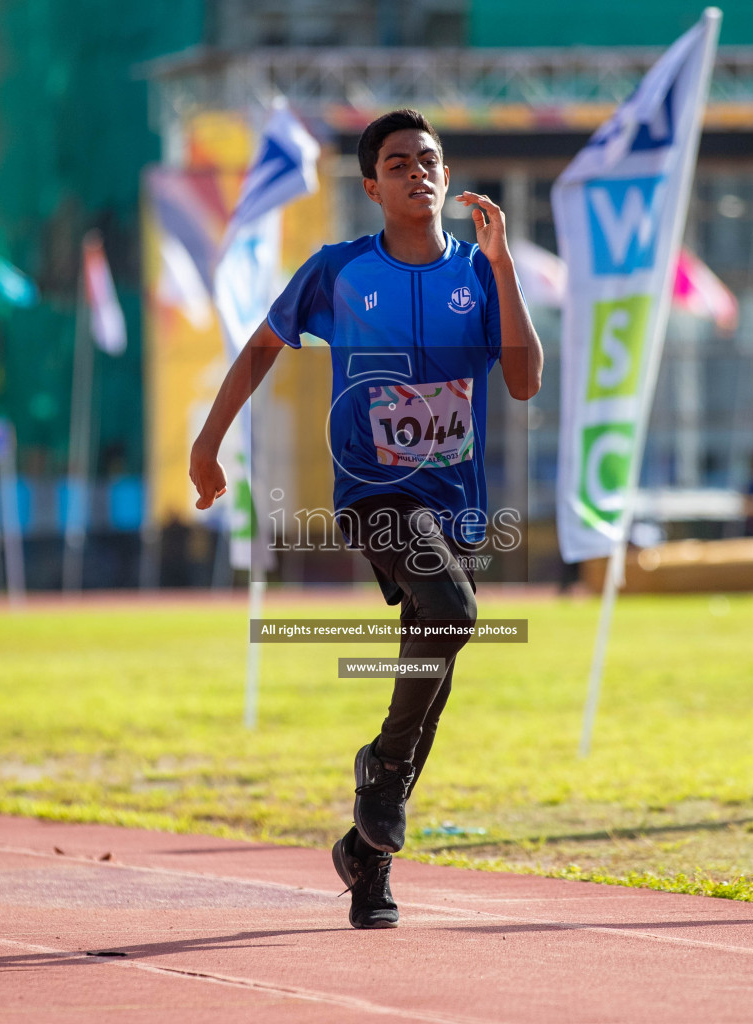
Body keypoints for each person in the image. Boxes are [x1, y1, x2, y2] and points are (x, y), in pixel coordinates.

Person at [189, 108, 543, 929]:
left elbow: (523, 382)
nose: (417, 171)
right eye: (398, 162)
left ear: (447, 179)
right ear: (372, 186)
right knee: (453, 612)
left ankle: (368, 854)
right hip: (372, 495)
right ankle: (382, 776)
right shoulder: (339, 270)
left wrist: (506, 269)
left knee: (436, 662)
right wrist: (209, 445)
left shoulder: (482, 275)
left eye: (429, 160)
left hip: (453, 502)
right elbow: (261, 347)